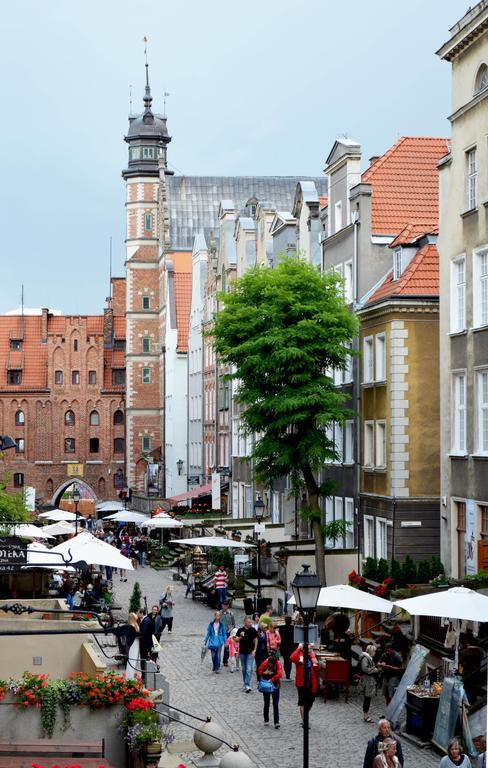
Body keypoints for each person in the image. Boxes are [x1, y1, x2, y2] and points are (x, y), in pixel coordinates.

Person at [290, 643, 319, 726]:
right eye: (308, 649)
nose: (310, 651)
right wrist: (298, 648)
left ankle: (305, 715)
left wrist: (316, 663)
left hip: (311, 683)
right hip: (301, 683)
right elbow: (291, 658)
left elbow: (317, 668)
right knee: (302, 702)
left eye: (311, 649)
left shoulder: (312, 656)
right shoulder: (299, 656)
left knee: (310, 701)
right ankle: (305, 721)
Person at [258, 654, 283, 729]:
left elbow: (280, 673)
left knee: (275, 704)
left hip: (275, 685)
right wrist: (265, 673)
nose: (270, 665)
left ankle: (276, 722)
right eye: (269, 664)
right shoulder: (265, 662)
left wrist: (272, 679)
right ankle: (266, 720)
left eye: (271, 664)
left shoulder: (278, 663)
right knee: (266, 703)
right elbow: (259, 671)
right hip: (266, 685)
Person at [236, 616, 258, 692]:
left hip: (250, 652)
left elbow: (255, 639)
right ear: (244, 622)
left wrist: (255, 650)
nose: (250, 623)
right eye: (249, 622)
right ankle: (245, 684)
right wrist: (241, 636)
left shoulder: (253, 630)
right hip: (242, 652)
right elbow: (236, 640)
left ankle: (247, 685)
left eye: (251, 622)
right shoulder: (240, 630)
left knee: (249, 669)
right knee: (244, 669)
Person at [358, 644, 378, 723]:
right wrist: (375, 670)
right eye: (374, 651)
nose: (375, 653)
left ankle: (366, 715)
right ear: (371, 651)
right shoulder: (366, 658)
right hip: (367, 680)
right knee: (367, 698)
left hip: (368, 679)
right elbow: (365, 668)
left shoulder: (368, 658)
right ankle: (366, 716)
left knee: (368, 698)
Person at [278, 615, 296, 680]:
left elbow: (280, 638)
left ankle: (287, 674)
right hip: (291, 647)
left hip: (284, 647)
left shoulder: (282, 628)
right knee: (289, 661)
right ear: (291, 621)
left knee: (286, 661)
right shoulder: (293, 628)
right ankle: (288, 675)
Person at [125, 611, 141, 679]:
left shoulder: (135, 624)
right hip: (133, 643)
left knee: (135, 659)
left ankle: (132, 675)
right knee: (132, 659)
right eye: (135, 615)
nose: (137, 615)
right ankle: (129, 677)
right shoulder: (131, 626)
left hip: (136, 642)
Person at [220, 601, 236, 667]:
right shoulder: (219, 613)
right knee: (219, 646)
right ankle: (217, 660)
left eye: (226, 605)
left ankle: (225, 661)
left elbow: (234, 624)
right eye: (224, 605)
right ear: (222, 606)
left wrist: (231, 629)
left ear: (228, 606)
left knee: (227, 647)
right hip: (220, 633)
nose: (225, 607)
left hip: (228, 632)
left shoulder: (231, 614)